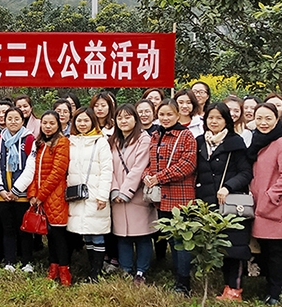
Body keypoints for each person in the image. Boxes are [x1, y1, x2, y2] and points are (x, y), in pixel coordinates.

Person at [194, 102, 252, 300]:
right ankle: (222, 286)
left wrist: (229, 186)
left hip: (231, 202)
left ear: (227, 120)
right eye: (211, 118)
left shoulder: (235, 142)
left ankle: (235, 289)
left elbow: (246, 172)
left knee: (234, 246)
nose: (214, 121)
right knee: (215, 246)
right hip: (207, 202)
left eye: (219, 118)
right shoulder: (200, 141)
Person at [143, 100, 198, 294]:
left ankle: (184, 282)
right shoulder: (156, 134)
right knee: (171, 239)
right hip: (161, 197)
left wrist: (159, 177)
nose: (165, 118)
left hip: (181, 196)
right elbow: (151, 162)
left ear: (177, 115)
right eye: (162, 114)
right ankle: (177, 276)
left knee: (182, 240)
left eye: (169, 114)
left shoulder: (186, 135)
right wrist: (148, 176)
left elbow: (187, 165)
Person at [249, 102, 282, 305]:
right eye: (259, 118)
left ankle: (276, 292)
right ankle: (270, 288)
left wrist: (271, 195)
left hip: (276, 206)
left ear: (277, 120)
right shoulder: (256, 141)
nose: (263, 123)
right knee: (266, 250)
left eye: (268, 118)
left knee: (277, 252)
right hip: (258, 204)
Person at [109, 104, 155, 285]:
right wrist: (114, 191)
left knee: (142, 235)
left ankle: (141, 271)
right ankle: (126, 269)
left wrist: (125, 191)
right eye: (120, 118)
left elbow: (139, 167)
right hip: (117, 196)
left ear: (135, 119)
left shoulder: (144, 139)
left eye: (127, 117)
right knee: (123, 235)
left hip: (136, 194)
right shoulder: (113, 141)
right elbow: (109, 168)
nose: (123, 121)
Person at [66, 107, 113, 282]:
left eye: (86, 120)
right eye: (79, 120)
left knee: (97, 232)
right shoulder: (70, 141)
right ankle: (90, 267)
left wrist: (102, 195)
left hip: (95, 193)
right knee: (85, 232)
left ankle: (95, 272)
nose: (82, 124)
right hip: (76, 194)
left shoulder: (100, 142)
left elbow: (107, 170)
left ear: (93, 121)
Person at [27, 110, 71, 284]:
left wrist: (40, 195)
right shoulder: (39, 144)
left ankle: (65, 270)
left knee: (59, 234)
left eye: (52, 123)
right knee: (50, 235)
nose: (47, 126)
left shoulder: (62, 142)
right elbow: (33, 171)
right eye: (44, 123)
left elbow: (57, 172)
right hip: (40, 196)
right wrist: (32, 194)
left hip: (56, 196)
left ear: (58, 124)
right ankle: (53, 268)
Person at [0, 106, 35, 272]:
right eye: (10, 119)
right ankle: (9, 261)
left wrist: (16, 191)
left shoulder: (30, 140)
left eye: (17, 119)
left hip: (21, 194)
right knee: (7, 229)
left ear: (23, 120)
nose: (13, 122)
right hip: (3, 194)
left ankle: (27, 262)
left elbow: (30, 168)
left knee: (24, 229)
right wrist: (0, 189)